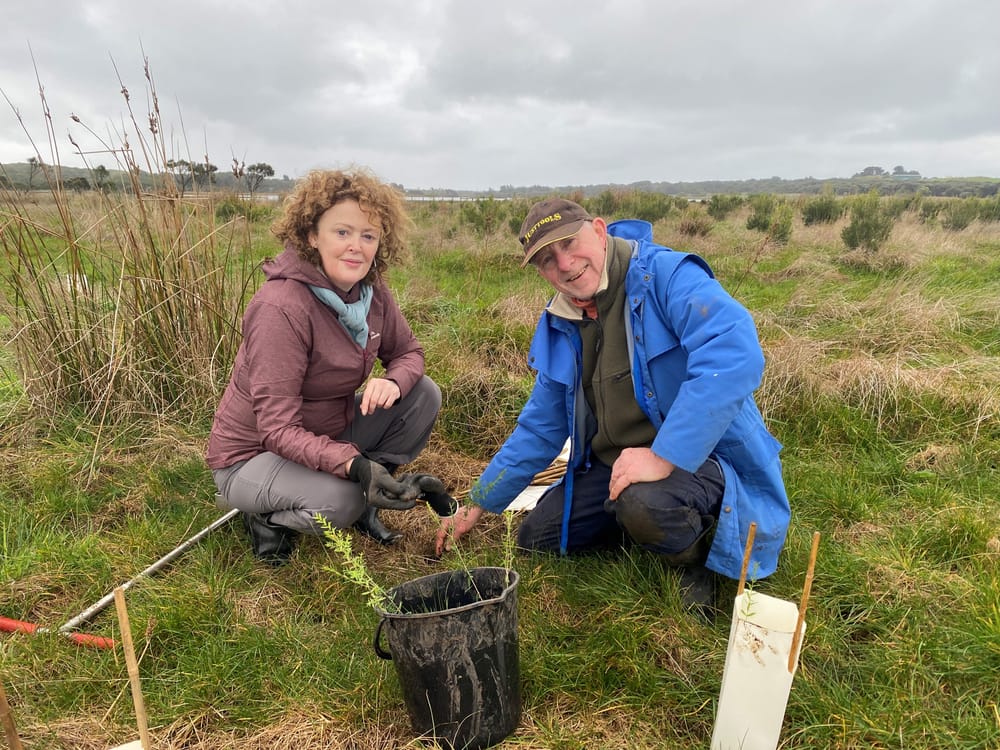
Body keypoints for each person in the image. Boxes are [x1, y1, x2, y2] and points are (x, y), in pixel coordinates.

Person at [435, 198, 790, 614]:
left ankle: (687, 561)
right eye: (547, 260)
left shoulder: (667, 276)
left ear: (600, 230)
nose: (564, 265)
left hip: (702, 458)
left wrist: (663, 456)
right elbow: (540, 427)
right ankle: (638, 520)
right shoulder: (561, 320)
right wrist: (479, 501)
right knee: (538, 537)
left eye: (570, 244)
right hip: (615, 464)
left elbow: (735, 355)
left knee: (645, 502)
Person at [207, 168, 450, 566]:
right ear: (311, 236)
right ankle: (268, 518)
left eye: (368, 235)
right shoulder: (281, 308)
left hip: (323, 429)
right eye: (343, 232)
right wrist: (353, 465)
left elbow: (409, 353)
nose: (356, 246)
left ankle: (374, 494)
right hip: (252, 454)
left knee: (422, 393)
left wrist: (393, 381)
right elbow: (277, 429)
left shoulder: (372, 294)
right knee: (341, 500)